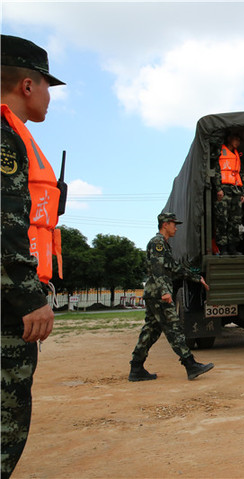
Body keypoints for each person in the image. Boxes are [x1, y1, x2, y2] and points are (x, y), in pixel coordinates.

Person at [1, 34, 65, 478]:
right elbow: (4, 228)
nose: (48, 97)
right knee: (6, 424)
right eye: (46, 85)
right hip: (8, 303)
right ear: (27, 85)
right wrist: (28, 295)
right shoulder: (6, 141)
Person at [128, 212, 214, 382]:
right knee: (174, 328)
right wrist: (165, 292)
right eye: (174, 224)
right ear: (165, 224)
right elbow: (157, 269)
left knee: (151, 331)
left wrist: (197, 278)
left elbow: (175, 268)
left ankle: (136, 367)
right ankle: (190, 364)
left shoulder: (165, 245)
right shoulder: (157, 243)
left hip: (155, 294)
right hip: (159, 294)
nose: (176, 227)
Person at [212, 132, 244, 255]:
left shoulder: (237, 155)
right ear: (230, 139)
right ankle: (223, 248)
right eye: (236, 139)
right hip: (224, 190)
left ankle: (233, 247)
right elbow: (216, 170)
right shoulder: (220, 151)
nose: (238, 142)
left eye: (239, 140)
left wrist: (243, 192)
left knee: (235, 220)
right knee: (222, 219)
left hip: (236, 191)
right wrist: (218, 188)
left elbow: (242, 174)